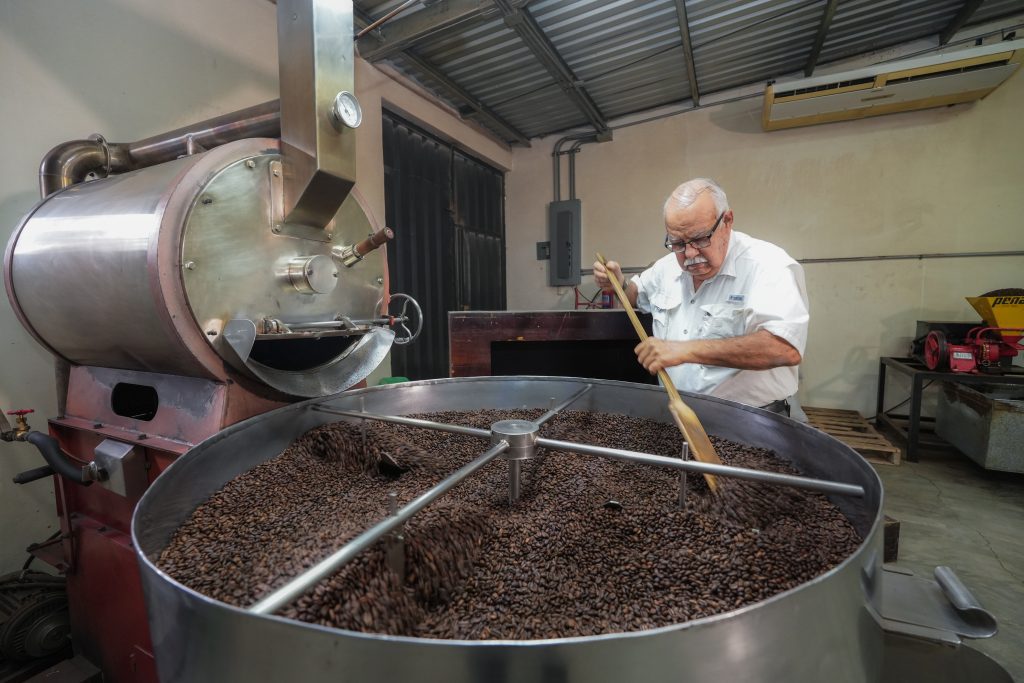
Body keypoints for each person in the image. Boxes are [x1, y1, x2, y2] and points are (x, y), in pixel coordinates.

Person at [593, 178, 809, 420]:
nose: (689, 254)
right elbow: (634, 296)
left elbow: (783, 348)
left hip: (754, 421)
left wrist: (685, 350)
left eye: (700, 239)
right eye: (677, 243)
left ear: (727, 221)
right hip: (680, 419)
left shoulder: (768, 266)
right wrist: (618, 284)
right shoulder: (666, 269)